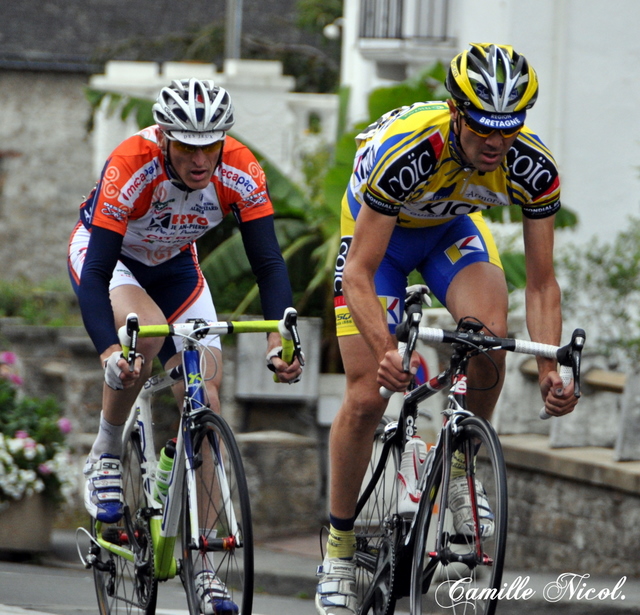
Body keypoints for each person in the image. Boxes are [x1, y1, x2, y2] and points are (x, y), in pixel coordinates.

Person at [316, 43, 581, 615]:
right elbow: (359, 272)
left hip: (448, 230)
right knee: (366, 393)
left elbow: (541, 284)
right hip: (376, 241)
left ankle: (460, 466)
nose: (496, 142)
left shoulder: (533, 167)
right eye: (484, 127)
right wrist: (387, 349)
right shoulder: (410, 151)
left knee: (489, 335)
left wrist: (551, 367)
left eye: (509, 128)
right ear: (457, 111)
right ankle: (337, 550)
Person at [68, 78, 302, 615]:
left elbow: (268, 262)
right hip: (113, 261)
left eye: (211, 144)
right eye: (188, 145)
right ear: (165, 138)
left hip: (176, 269)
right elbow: (98, 269)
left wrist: (277, 336)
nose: (201, 159)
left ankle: (207, 566)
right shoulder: (132, 164)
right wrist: (109, 352)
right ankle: (105, 452)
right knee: (144, 335)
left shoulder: (241, 169)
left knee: (207, 395)